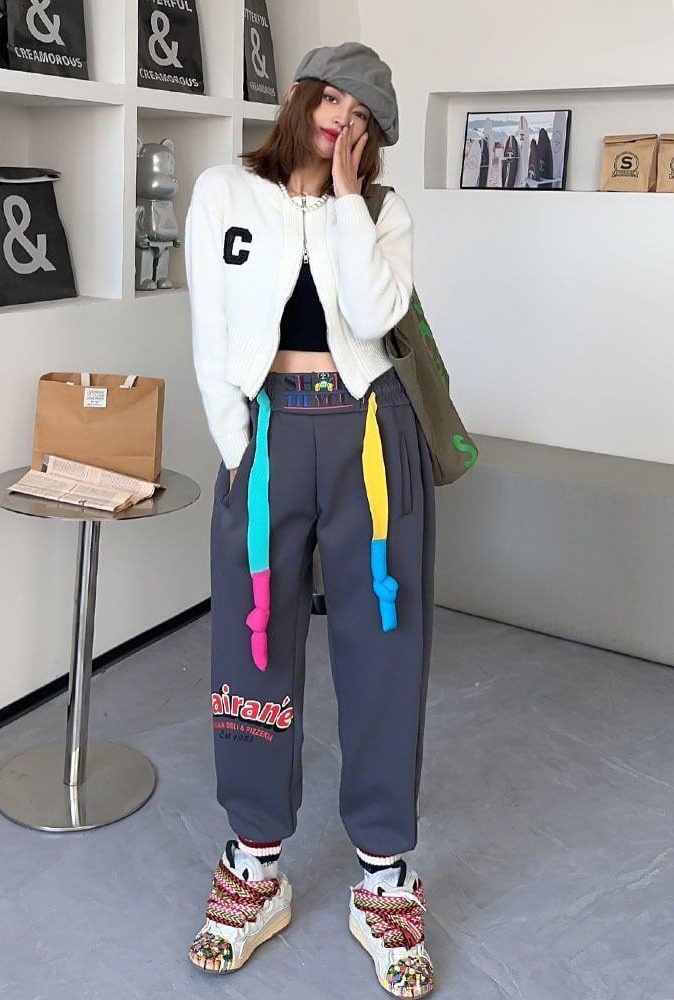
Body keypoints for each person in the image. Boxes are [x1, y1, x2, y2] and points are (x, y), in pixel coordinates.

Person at [183, 41, 436, 999]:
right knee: (251, 644)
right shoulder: (223, 191)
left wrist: (346, 198)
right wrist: (235, 445)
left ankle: (384, 878)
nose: (342, 119)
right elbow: (210, 329)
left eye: (361, 114)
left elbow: (371, 317)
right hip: (266, 434)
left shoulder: (381, 210)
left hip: (370, 431)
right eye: (332, 99)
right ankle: (256, 864)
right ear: (297, 97)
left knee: (385, 645)